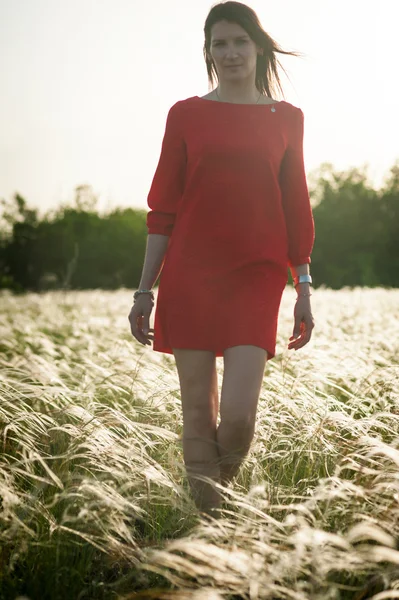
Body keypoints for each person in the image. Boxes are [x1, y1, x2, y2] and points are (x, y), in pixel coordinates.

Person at [128, 0, 315, 520]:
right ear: (208, 52)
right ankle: (209, 536)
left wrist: (302, 286)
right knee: (196, 410)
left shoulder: (287, 119)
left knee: (236, 420)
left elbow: (296, 206)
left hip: (257, 275)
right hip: (190, 274)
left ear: (258, 47)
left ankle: (211, 512)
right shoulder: (186, 114)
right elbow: (163, 209)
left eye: (239, 41)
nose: (230, 52)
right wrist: (145, 291)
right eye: (219, 44)